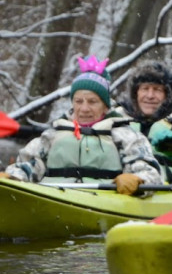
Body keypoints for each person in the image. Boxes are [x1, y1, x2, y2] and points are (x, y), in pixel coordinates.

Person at [0, 56, 162, 194]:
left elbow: (151, 173)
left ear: (106, 106)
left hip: (104, 201)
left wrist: (138, 180)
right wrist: (13, 176)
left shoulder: (125, 135)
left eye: (92, 102)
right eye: (78, 101)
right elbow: (29, 165)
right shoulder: (53, 134)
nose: (84, 108)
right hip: (55, 197)